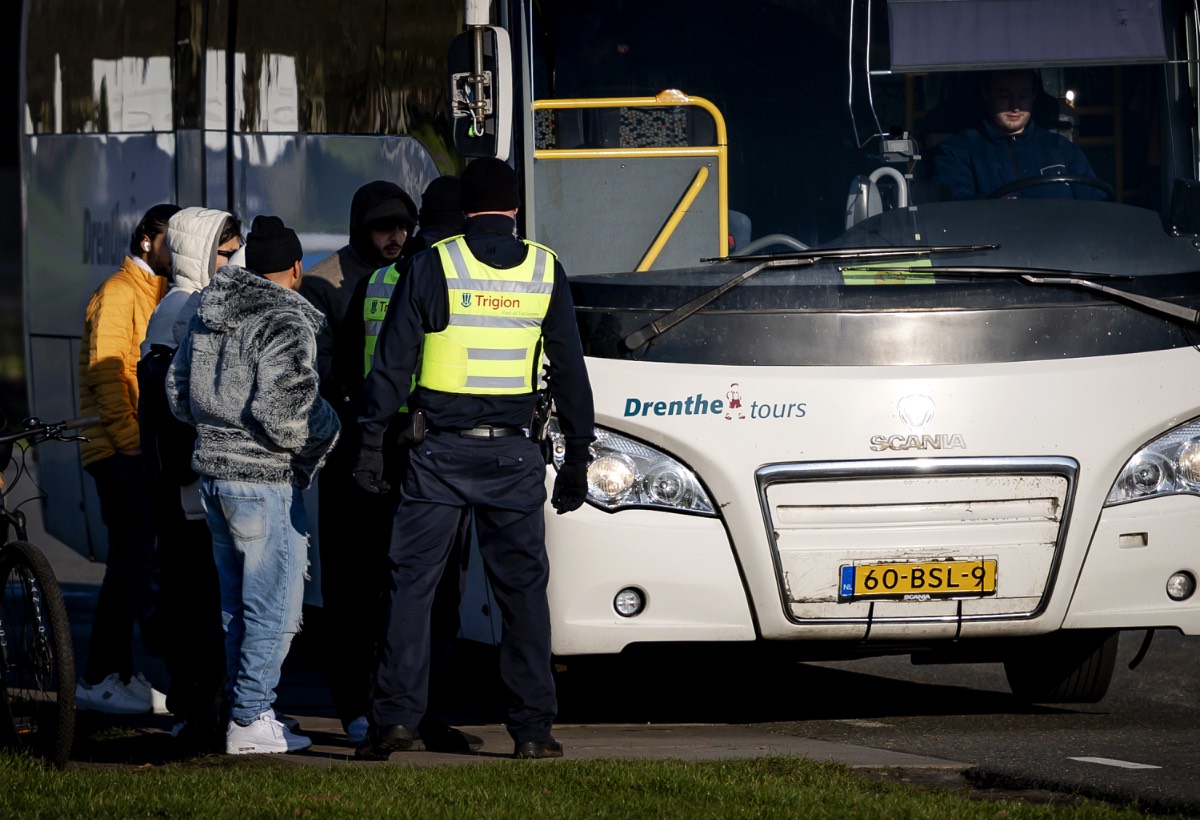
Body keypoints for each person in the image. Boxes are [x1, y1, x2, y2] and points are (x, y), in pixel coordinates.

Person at [353, 157, 595, 761]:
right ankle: (533, 732)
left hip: (437, 453)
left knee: (412, 589)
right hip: (513, 454)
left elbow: (392, 365)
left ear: (465, 210)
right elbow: (569, 369)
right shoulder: (546, 269)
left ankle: (394, 724)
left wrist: (369, 443)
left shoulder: (434, 263)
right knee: (522, 596)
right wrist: (577, 457)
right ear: (515, 208)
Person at [167, 215, 340, 755]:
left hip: (214, 478)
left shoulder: (210, 311)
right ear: (296, 267)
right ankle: (249, 718)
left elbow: (177, 392)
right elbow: (286, 413)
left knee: (238, 606)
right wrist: (331, 428)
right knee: (278, 611)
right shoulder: (286, 319)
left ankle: (246, 709)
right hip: (263, 481)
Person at [299, 181, 418, 745]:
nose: (395, 237)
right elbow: (318, 372)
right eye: (383, 227)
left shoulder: (416, 271)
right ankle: (354, 705)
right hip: (349, 453)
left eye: (402, 226)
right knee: (350, 589)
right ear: (360, 228)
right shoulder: (327, 283)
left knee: (394, 587)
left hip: (400, 452)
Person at [138, 207, 241, 750]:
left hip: (192, 481)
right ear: (198, 253)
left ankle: (203, 705)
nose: (233, 263)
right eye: (225, 254)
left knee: (200, 597)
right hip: (188, 485)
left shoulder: (184, 305)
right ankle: (198, 707)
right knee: (197, 599)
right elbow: (175, 407)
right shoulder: (182, 310)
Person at [74, 204, 177, 716]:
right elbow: (106, 372)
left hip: (136, 449)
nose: (175, 250)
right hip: (118, 452)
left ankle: (115, 673)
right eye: (167, 240)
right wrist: (131, 441)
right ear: (144, 242)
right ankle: (99, 676)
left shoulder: (155, 291)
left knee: (137, 564)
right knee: (128, 564)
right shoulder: (119, 292)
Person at [931, 69, 1107, 201]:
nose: (1015, 106)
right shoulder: (957, 152)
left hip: (1063, 245)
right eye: (1005, 95)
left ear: (1034, 95)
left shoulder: (1061, 148)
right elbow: (954, 208)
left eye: (1023, 96)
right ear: (987, 94)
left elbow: (1097, 204)